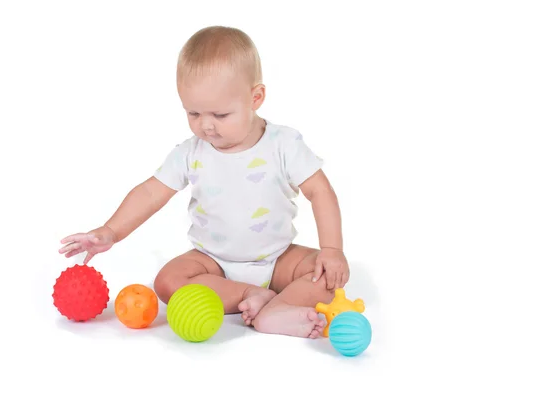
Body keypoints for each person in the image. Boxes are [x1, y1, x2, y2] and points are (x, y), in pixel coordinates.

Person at [59, 26, 349, 338]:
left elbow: (320, 192)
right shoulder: (190, 153)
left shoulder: (284, 145)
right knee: (168, 281)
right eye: (193, 113)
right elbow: (150, 192)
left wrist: (332, 249)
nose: (206, 126)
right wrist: (111, 231)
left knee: (327, 275)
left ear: (256, 97)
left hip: (278, 259)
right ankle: (250, 296)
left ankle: (275, 313)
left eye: (221, 115)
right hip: (214, 263)